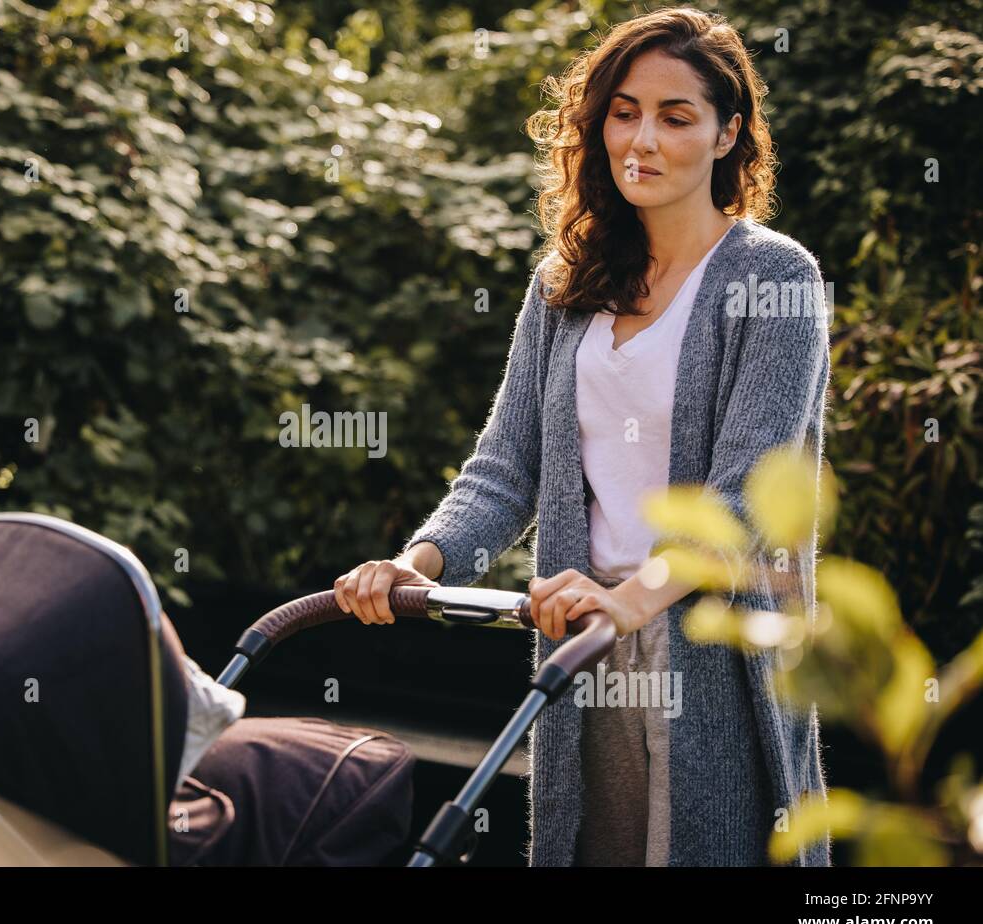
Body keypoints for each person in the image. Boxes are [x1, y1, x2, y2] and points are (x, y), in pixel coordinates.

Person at [333, 7, 831, 867]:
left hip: (704, 641)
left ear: (727, 135)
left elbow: (744, 498)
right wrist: (413, 566)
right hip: (581, 629)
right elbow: (503, 469)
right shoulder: (566, 283)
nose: (642, 137)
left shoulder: (774, 278)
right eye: (624, 110)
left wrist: (632, 601)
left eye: (676, 117)